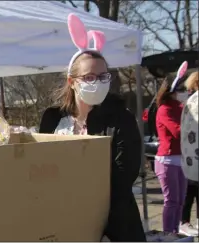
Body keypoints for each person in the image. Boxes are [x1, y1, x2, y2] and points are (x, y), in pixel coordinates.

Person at [39, 13, 146, 242]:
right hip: (61, 216)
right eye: (89, 77)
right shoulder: (52, 118)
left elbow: (122, 177)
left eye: (103, 76)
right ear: (72, 82)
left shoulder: (121, 119)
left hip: (113, 223)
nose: (97, 82)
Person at [154, 68, 189, 234]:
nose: (185, 92)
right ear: (172, 91)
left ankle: (175, 231)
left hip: (181, 160)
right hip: (166, 161)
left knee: (181, 200)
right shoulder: (164, 109)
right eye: (181, 89)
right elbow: (178, 131)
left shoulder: (182, 107)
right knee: (172, 200)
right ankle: (168, 233)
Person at [179, 71, 199, 236]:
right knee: (191, 190)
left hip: (190, 155)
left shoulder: (190, 101)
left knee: (192, 190)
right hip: (195, 154)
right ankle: (184, 221)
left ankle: (185, 220)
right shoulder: (196, 100)